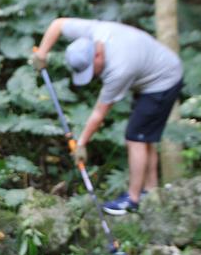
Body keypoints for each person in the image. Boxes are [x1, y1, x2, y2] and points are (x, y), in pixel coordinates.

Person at [33, 18, 182, 215]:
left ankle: (133, 199)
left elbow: (99, 113)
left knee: (135, 138)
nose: (93, 75)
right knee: (145, 136)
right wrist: (42, 53)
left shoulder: (118, 69)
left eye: (91, 70)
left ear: (98, 54)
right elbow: (58, 24)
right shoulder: (93, 31)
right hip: (154, 70)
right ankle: (151, 191)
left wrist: (81, 143)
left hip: (164, 79)